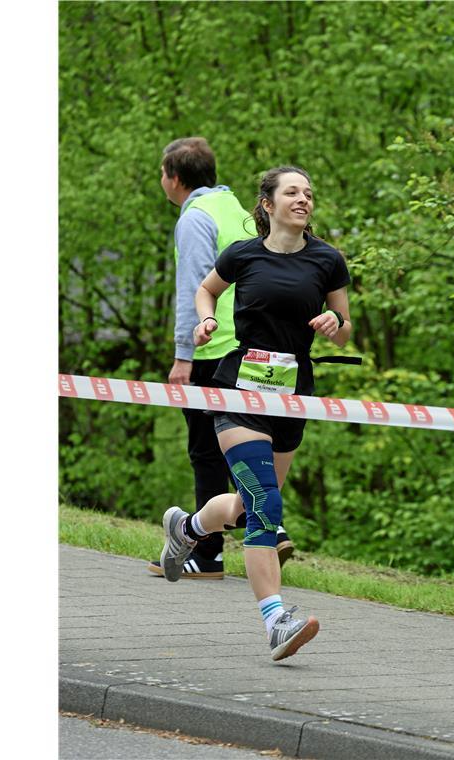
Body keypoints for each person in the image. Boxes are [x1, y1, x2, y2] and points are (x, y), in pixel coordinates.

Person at [159, 166, 353, 662]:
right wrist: (205, 318)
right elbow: (207, 290)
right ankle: (276, 620)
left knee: (251, 506)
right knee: (267, 503)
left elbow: (346, 328)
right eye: (292, 192)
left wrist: (336, 324)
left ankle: (188, 529)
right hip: (238, 390)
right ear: (267, 204)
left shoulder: (327, 260)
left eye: (309, 192)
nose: (303, 199)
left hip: (292, 395)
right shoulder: (243, 254)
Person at [147, 137, 295, 580]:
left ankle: (206, 552)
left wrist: (182, 356)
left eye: (161, 173)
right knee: (253, 438)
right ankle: (269, 521)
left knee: (206, 449)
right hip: (259, 348)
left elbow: (195, 287)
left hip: (214, 348)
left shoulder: (195, 217)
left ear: (174, 178)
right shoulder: (238, 209)